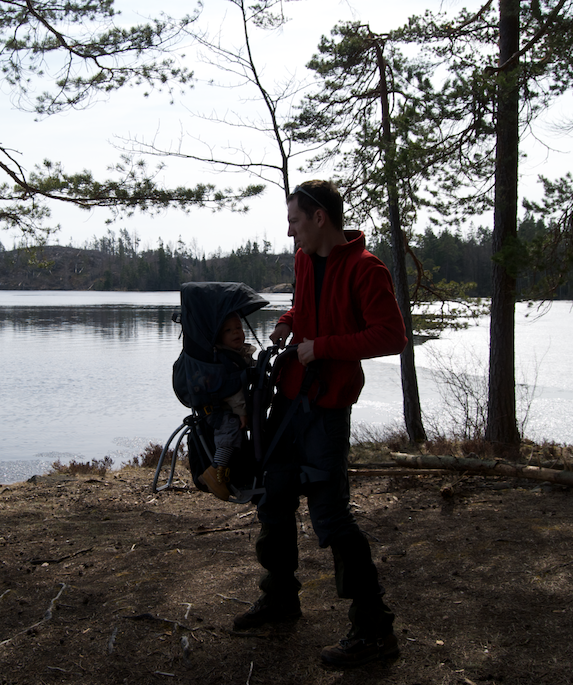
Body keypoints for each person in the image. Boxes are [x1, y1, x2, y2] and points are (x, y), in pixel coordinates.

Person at [232, 180, 408, 668]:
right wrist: (290, 321)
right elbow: (308, 308)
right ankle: (281, 597)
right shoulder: (305, 260)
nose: (290, 231)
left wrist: (323, 347)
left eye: (294, 221)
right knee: (274, 497)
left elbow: (391, 336)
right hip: (289, 399)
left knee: (330, 517)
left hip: (328, 408)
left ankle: (375, 630)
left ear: (319, 218)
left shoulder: (367, 269)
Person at [199, 312, 256, 501]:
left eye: (239, 328)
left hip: (228, 407)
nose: (236, 333)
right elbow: (234, 391)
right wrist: (242, 413)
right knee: (230, 431)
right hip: (220, 410)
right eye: (229, 330)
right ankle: (215, 472)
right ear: (220, 337)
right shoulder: (224, 359)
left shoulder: (238, 354)